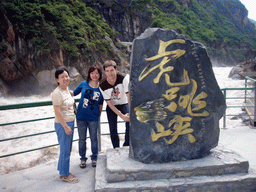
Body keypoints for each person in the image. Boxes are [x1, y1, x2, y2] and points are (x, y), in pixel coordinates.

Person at [51, 68, 78, 183]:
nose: (65, 78)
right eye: (62, 77)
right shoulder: (57, 93)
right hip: (63, 124)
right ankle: (65, 174)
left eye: (67, 76)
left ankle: (62, 169)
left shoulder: (66, 90)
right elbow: (57, 111)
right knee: (65, 150)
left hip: (70, 122)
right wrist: (66, 127)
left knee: (65, 148)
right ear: (57, 79)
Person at [73, 66, 104, 168]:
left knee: (94, 139)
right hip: (81, 117)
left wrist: (98, 115)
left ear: (99, 75)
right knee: (82, 139)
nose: (94, 75)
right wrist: (62, 90)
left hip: (93, 118)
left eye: (96, 73)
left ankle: (94, 157)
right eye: (92, 73)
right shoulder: (84, 84)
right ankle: (82, 159)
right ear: (89, 74)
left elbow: (100, 103)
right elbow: (73, 93)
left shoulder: (101, 88)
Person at [99, 60, 130, 148]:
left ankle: (126, 145)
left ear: (116, 70)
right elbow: (109, 103)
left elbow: (129, 96)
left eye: (112, 70)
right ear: (104, 72)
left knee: (129, 123)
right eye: (107, 71)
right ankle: (116, 148)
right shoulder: (102, 85)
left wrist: (129, 112)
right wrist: (121, 116)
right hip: (112, 105)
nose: (110, 73)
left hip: (124, 103)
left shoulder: (124, 78)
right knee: (113, 129)